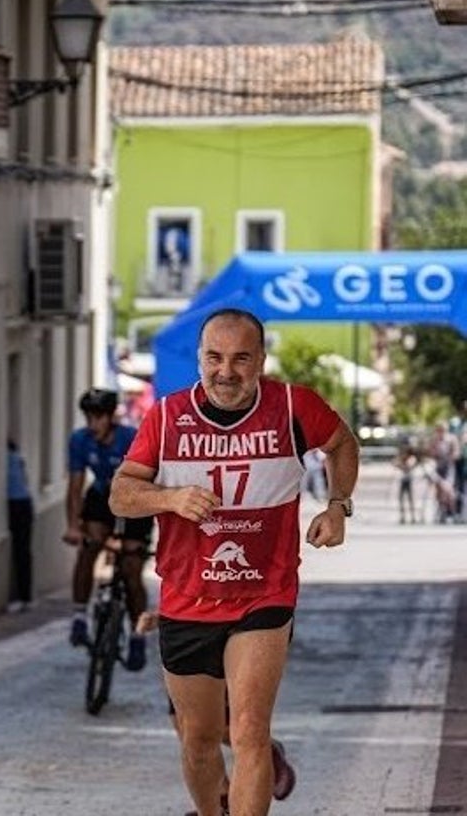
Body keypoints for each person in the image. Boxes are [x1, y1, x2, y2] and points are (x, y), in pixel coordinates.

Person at [111, 308, 358, 816]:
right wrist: (171, 499)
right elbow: (121, 494)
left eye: (241, 359)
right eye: (214, 358)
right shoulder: (165, 417)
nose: (226, 371)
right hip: (188, 599)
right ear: (199, 360)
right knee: (199, 739)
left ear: (261, 360)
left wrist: (337, 506)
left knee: (249, 732)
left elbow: (341, 444)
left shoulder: (293, 406)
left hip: (264, 596)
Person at [136, 612, 297, 814]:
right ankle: (221, 801)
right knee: (195, 732)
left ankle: (228, 799)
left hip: (261, 600)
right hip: (188, 609)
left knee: (250, 729)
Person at [63, 387, 154, 672]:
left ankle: (138, 634)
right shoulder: (79, 440)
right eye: (88, 417)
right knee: (89, 547)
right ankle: (79, 616)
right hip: (102, 496)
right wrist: (73, 526)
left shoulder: (130, 438)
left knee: (130, 568)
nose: (93, 423)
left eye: (99, 417)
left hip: (135, 497)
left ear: (110, 417)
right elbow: (76, 486)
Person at [6, 439, 34, 613]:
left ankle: (22, 596)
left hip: (16, 504)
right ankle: (25, 595)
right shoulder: (18, 458)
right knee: (23, 550)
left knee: (20, 550)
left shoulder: (7, 460)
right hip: (25, 503)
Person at [395, 443, 418, 524]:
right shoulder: (401, 458)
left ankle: (413, 516)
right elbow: (395, 464)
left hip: (410, 480)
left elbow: (408, 467)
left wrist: (401, 465)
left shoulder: (412, 458)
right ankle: (402, 516)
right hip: (402, 480)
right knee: (401, 498)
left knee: (411, 498)